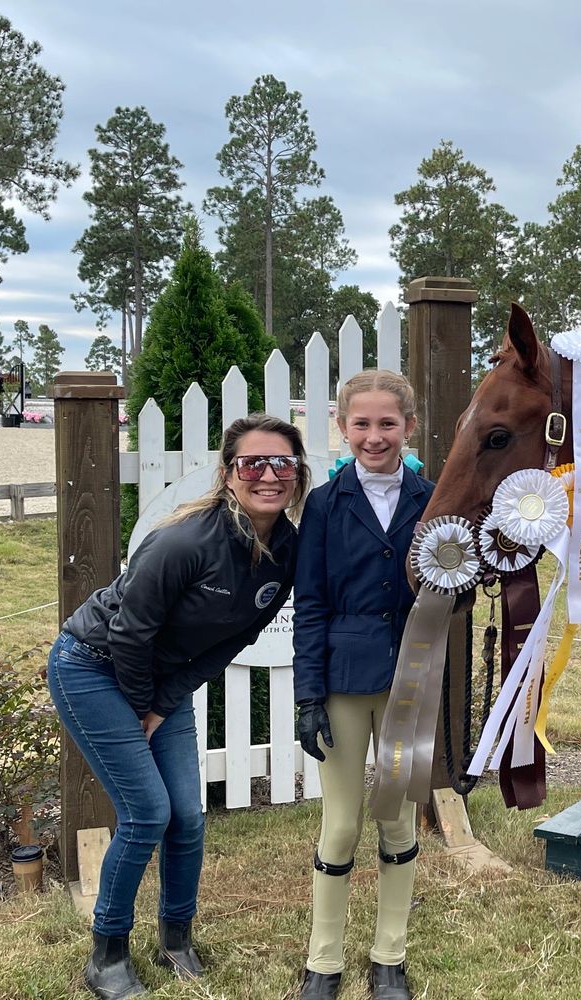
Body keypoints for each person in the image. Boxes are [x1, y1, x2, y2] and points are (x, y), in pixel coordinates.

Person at [49, 413, 309, 999]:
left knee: (187, 817)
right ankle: (108, 953)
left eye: (282, 463)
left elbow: (233, 639)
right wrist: (143, 705)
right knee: (147, 814)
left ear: (297, 474)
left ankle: (176, 938)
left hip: (157, 685)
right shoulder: (183, 542)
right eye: (253, 463)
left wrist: (161, 704)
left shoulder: (286, 551)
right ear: (228, 473)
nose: (268, 474)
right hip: (92, 667)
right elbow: (129, 635)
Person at [293, 370, 432, 1000]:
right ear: (342, 427)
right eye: (361, 424)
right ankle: (323, 961)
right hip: (344, 681)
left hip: (409, 682)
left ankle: (388, 958)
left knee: (398, 821)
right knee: (343, 824)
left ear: (409, 426)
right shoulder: (324, 504)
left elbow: (446, 593)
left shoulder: (433, 500)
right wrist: (307, 693)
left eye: (387, 424)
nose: (374, 437)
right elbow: (312, 604)